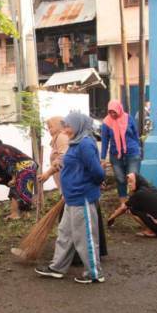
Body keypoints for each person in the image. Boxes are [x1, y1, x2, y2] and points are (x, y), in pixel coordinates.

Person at [35, 112, 106, 284]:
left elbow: (98, 173)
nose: (65, 129)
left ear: (78, 125)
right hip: (71, 197)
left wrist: (86, 186)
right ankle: (57, 267)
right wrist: (60, 164)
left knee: (85, 237)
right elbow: (70, 161)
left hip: (82, 197)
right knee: (64, 234)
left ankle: (94, 273)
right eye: (64, 126)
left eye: (68, 126)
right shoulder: (75, 143)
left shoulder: (86, 144)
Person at [106, 173, 157, 238]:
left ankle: (151, 231)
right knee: (136, 207)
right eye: (128, 183)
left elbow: (123, 208)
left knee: (131, 209)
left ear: (137, 181)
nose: (129, 184)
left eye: (131, 181)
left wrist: (111, 218)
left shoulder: (139, 194)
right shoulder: (153, 189)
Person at [0, 136, 38, 221]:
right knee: (22, 190)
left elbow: (10, 162)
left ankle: (15, 214)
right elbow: (2, 173)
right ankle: (24, 214)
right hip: (27, 166)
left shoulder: (0, 150)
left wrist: (13, 177)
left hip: (24, 166)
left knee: (16, 189)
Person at [101, 100, 142, 203]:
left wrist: (138, 149)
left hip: (132, 153)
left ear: (119, 109)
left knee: (133, 179)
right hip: (116, 155)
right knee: (120, 180)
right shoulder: (106, 122)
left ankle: (134, 203)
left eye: (114, 111)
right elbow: (105, 141)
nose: (112, 114)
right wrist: (102, 158)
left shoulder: (128, 118)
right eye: (110, 112)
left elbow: (135, 135)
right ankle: (123, 204)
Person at [38, 116, 69, 189]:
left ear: (58, 126)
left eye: (51, 127)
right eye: (48, 128)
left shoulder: (62, 137)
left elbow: (62, 158)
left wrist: (47, 174)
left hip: (68, 181)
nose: (49, 130)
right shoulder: (57, 138)